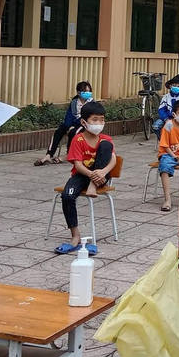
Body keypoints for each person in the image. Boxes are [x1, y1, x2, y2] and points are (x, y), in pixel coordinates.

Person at [54, 102, 116, 256]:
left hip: (102, 175)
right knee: (67, 196)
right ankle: (75, 235)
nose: (99, 123)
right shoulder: (78, 139)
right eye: (95, 120)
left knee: (106, 146)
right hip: (82, 175)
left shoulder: (105, 139)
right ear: (84, 122)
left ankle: (93, 186)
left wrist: (102, 172)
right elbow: (78, 165)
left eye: (102, 119)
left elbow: (113, 160)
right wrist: (91, 175)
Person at [36, 81, 91, 166]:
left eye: (89, 91)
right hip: (73, 124)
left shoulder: (92, 103)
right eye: (85, 91)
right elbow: (69, 116)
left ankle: (69, 154)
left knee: (74, 132)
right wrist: (68, 126)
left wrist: (73, 127)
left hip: (85, 125)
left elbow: (86, 117)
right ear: (79, 92)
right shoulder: (74, 102)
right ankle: (49, 154)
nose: (88, 93)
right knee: (59, 131)